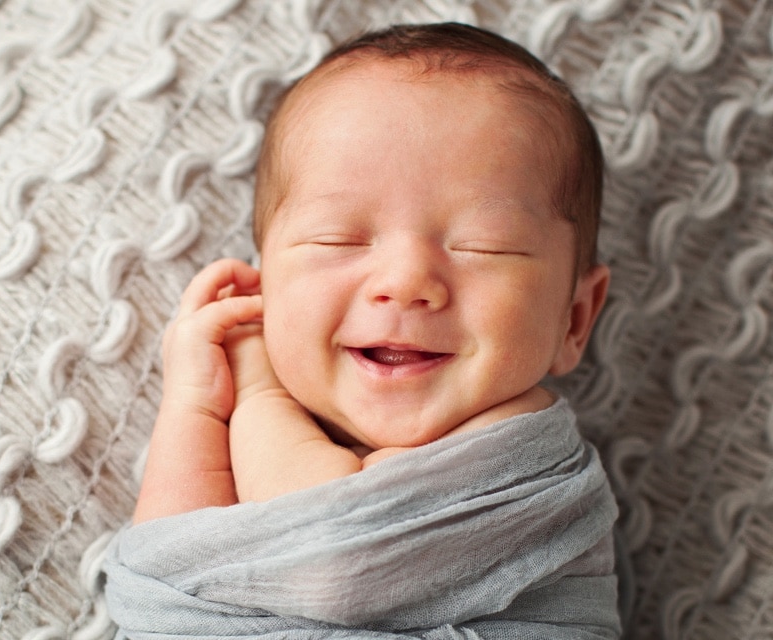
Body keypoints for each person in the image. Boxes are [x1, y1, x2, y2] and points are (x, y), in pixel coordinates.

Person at [131, 21, 610, 521]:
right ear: (264, 290)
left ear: (573, 319)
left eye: (484, 246)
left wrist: (253, 389)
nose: (403, 282)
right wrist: (191, 406)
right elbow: (168, 563)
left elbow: (326, 541)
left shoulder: (519, 441)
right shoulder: (260, 448)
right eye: (336, 238)